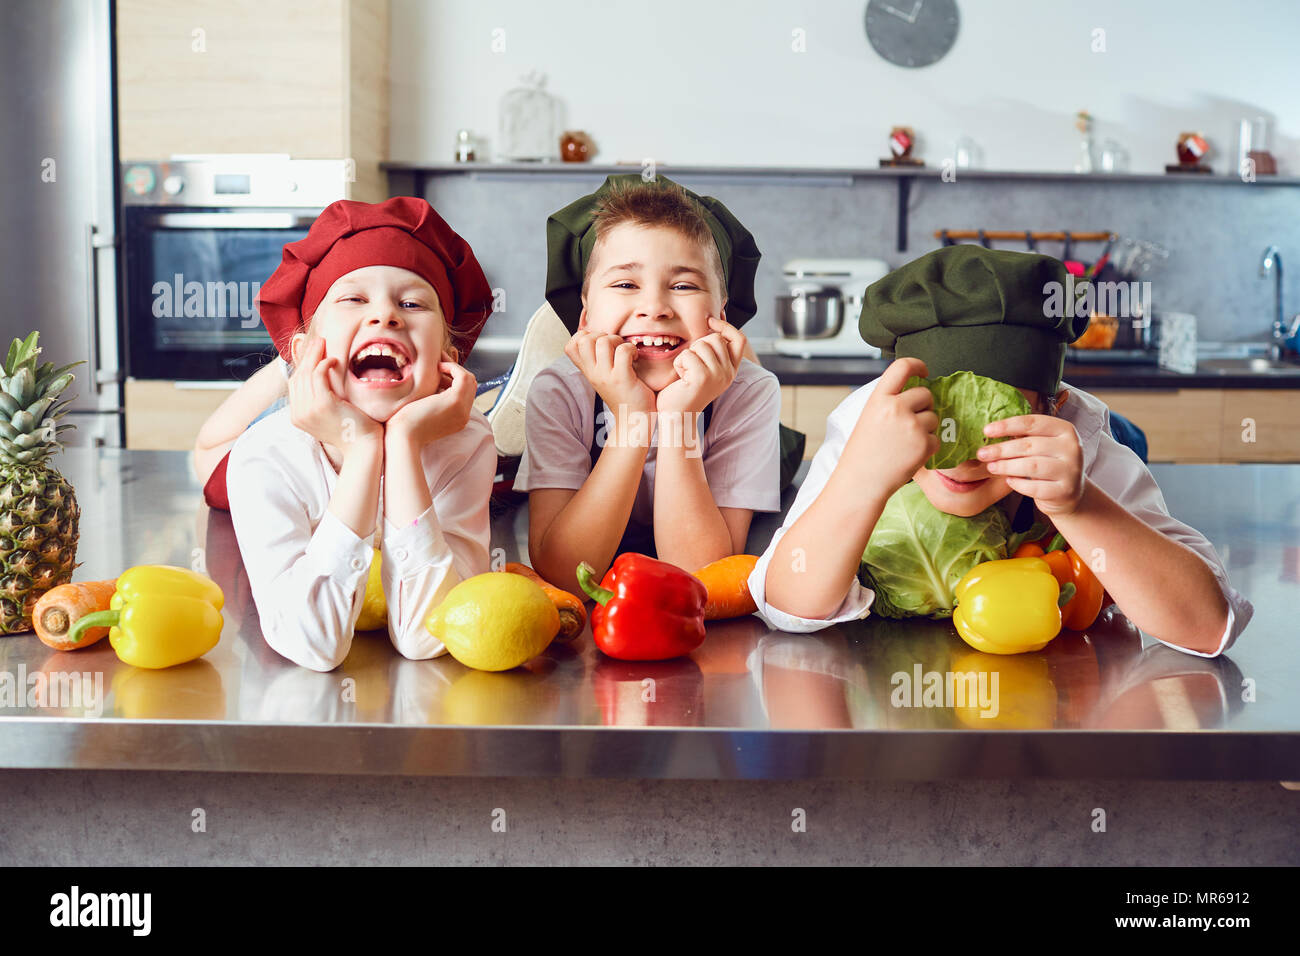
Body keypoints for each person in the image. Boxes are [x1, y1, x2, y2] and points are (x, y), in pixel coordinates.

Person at [750, 245, 1252, 658]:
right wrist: (861, 479)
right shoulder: (871, 423)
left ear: (1057, 410)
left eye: (998, 423)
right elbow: (786, 604)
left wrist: (1079, 504)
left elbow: (1210, 627)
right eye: (944, 420)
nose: (964, 458)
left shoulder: (1083, 442)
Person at [226, 197, 498, 671]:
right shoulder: (263, 455)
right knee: (212, 448)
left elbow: (427, 634)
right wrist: (363, 446)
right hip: (257, 439)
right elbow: (314, 644)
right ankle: (270, 384)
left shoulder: (467, 440)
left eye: (412, 302)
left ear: (448, 357)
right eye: (353, 298)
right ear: (308, 348)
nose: (386, 316)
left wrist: (405, 444)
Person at [514, 175, 785, 595]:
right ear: (584, 316)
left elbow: (701, 578)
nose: (655, 308)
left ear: (722, 315)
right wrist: (632, 419)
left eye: (683, 285)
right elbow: (564, 574)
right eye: (625, 284)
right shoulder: (559, 390)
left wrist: (679, 416)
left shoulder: (750, 393)